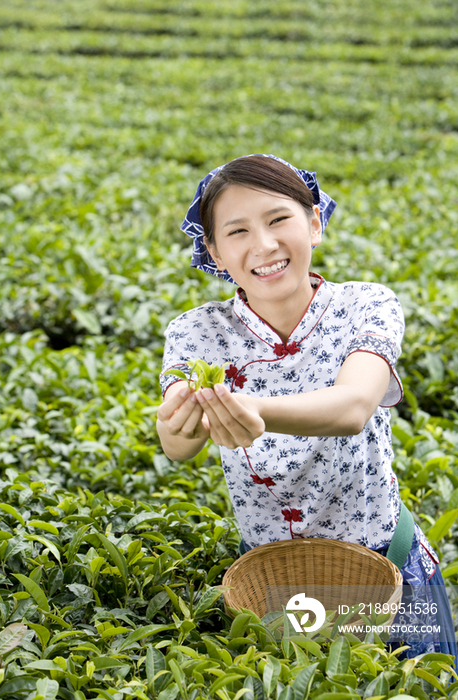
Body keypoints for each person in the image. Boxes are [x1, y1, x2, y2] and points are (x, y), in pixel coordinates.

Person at [157, 154, 457, 663]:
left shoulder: (366, 305)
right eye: (237, 232)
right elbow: (178, 445)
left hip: (387, 567)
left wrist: (255, 411)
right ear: (214, 251)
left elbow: (355, 405)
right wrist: (180, 422)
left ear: (314, 223)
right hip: (274, 584)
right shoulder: (196, 332)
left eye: (279, 220)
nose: (265, 245)